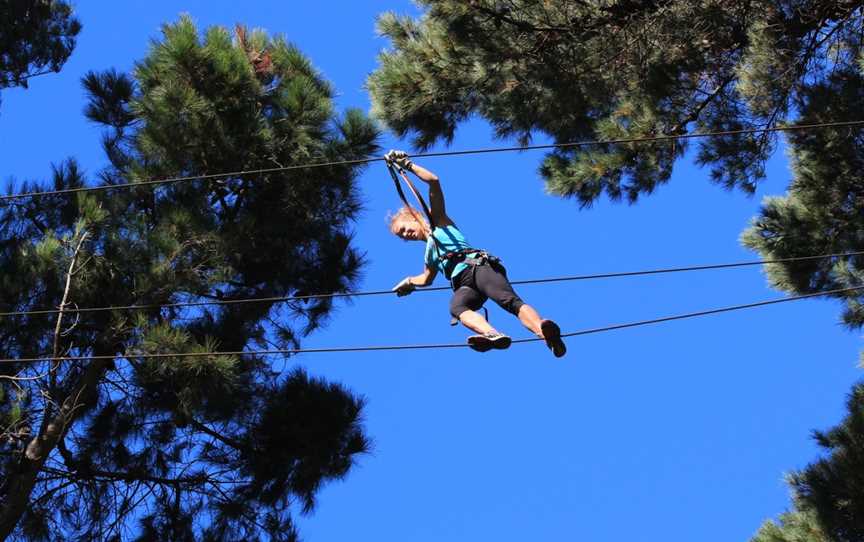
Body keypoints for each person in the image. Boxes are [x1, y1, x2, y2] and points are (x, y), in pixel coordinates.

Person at [385, 150, 567, 357]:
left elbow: (434, 182)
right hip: (464, 283)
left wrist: (407, 164)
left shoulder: (439, 222)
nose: (406, 234)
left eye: (405, 228)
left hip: (479, 267)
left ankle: (544, 332)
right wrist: (409, 282)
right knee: (457, 306)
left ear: (414, 216)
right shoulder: (429, 254)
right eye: (402, 236)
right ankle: (491, 334)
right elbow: (426, 278)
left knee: (509, 302)